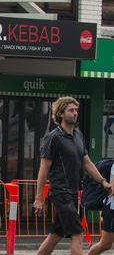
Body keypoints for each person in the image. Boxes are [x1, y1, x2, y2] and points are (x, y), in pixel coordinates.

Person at [33, 97, 114, 255]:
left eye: (76, 110)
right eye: (71, 110)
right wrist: (38, 198)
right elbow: (43, 168)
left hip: (72, 192)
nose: (75, 113)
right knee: (77, 233)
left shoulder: (78, 135)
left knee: (55, 236)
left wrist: (103, 181)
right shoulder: (54, 137)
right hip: (60, 192)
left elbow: (87, 162)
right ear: (61, 113)